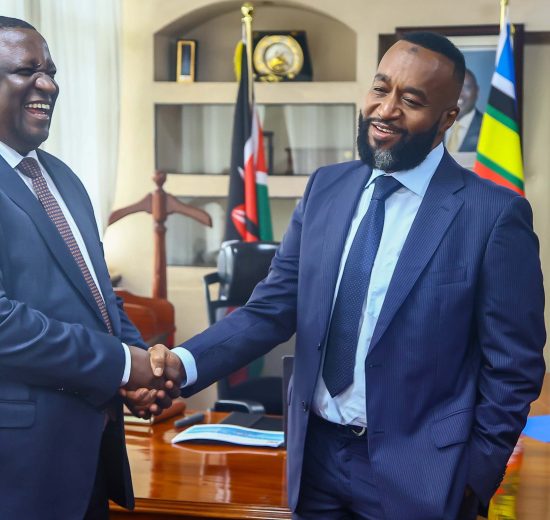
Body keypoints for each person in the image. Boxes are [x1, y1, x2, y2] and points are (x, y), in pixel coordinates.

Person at [154, 31, 545, 519]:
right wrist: (181, 364)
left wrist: (473, 478)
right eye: (380, 88)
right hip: (314, 462)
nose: (386, 110)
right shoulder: (326, 187)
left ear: (448, 118)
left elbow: (513, 366)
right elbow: (271, 308)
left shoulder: (493, 215)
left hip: (422, 478)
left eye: (411, 101)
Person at [0, 17, 182, 519]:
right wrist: (123, 364)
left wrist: (142, 368)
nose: (48, 86)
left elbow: (97, 295)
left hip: (90, 458)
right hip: (18, 471)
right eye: (27, 71)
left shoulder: (63, 177)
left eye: (52, 72)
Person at [445, 68, 483, 152]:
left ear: (477, 91)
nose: (460, 93)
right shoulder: (434, 126)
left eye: (466, 87)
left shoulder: (488, 128)